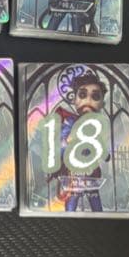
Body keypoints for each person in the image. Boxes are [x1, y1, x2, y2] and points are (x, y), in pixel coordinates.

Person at [50, 70, 108, 211]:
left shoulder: (96, 125)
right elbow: (62, 145)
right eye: (82, 95)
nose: (88, 101)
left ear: (102, 103)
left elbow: (100, 145)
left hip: (91, 173)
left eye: (95, 97)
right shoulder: (70, 122)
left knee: (95, 201)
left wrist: (105, 154)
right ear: (74, 99)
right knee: (72, 200)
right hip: (74, 173)